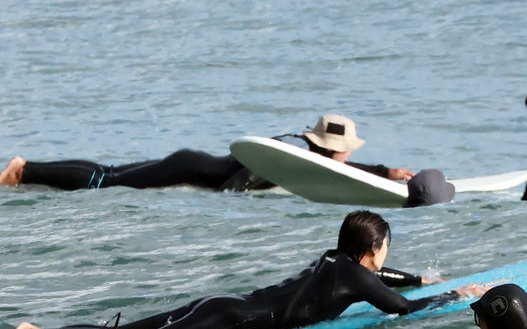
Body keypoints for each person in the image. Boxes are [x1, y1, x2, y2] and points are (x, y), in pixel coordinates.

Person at [0, 211, 484, 329]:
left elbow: (381, 278)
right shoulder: (356, 274)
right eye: (386, 251)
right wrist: (453, 296)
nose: (386, 260)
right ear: (374, 249)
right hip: (231, 320)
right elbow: (399, 308)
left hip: (225, 305)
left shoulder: (336, 260)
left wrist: (421, 277)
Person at [0, 113, 414, 193]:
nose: (347, 158)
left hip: (190, 161)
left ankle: (26, 169)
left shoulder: (299, 150)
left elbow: (341, 170)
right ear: (330, 148)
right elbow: (246, 177)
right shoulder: (288, 157)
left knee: (109, 173)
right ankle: (24, 171)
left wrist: (385, 172)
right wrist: (231, 197)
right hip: (189, 169)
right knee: (105, 183)